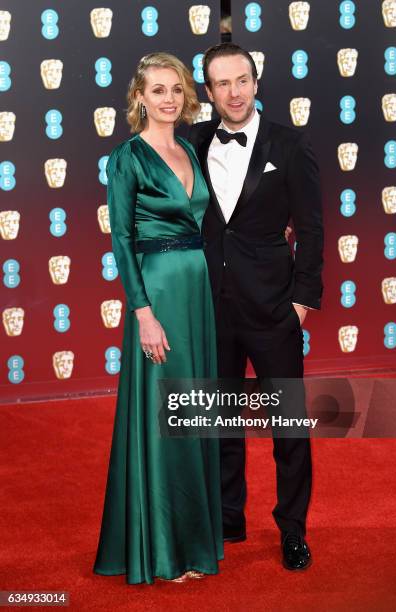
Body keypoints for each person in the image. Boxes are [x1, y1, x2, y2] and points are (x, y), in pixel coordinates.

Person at [188, 43, 324, 571]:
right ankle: (228, 518)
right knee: (221, 420)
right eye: (222, 84)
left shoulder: (289, 144)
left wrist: (302, 303)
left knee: (288, 426)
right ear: (209, 92)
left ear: (256, 80)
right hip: (211, 310)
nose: (234, 92)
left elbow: (311, 229)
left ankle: (293, 529)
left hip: (274, 311)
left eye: (241, 79)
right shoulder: (193, 141)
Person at [93, 53, 223, 585]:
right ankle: (163, 549)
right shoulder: (127, 157)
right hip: (159, 291)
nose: (168, 98)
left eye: (176, 89)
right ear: (139, 98)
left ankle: (195, 542)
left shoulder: (190, 148)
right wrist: (143, 313)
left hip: (197, 291)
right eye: (158, 90)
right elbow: (121, 239)